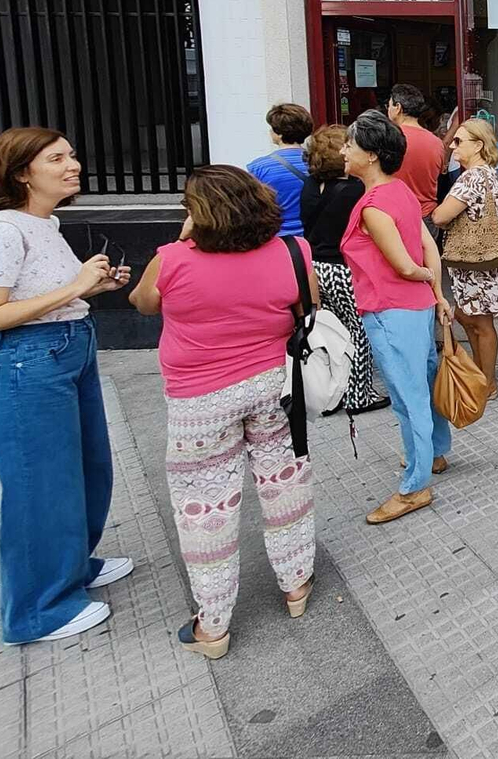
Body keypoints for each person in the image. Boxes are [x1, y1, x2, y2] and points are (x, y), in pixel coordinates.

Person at [127, 166, 317, 659]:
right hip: (271, 383)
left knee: (206, 509)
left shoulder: (170, 260)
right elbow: (308, 303)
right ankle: (296, 583)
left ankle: (213, 624)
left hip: (199, 399)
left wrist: (180, 243)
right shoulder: (293, 251)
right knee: (284, 482)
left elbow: (143, 303)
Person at [0, 128, 133, 644]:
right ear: (20, 173)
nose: (73, 165)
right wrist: (74, 287)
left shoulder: (45, 224)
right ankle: (37, 611)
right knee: (39, 487)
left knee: (85, 468)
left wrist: (90, 288)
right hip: (27, 364)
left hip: (66, 350)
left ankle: (73, 566)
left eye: (71, 155)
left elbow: (48, 292)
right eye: (56, 158)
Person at [340, 110, 455, 524]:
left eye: (349, 144)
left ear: (370, 155)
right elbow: (429, 248)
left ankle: (415, 484)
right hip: (417, 308)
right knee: (422, 383)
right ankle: (435, 454)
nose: (343, 151)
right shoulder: (402, 192)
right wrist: (436, 293)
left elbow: (408, 265)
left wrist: (423, 279)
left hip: (391, 311)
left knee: (410, 399)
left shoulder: (373, 206)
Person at [430, 116, 498, 393]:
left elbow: (441, 216)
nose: (453, 147)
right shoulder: (488, 172)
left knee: (479, 320)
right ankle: (481, 374)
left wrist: (434, 210)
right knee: (467, 316)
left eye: (458, 141)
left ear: (478, 145)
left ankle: (487, 382)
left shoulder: (472, 177)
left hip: (475, 259)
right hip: (480, 256)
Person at [299, 125, 390, 414]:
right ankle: (359, 395)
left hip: (315, 266)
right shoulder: (355, 190)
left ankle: (334, 390)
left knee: (332, 332)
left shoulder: (310, 185)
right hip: (345, 268)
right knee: (359, 329)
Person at [247, 103, 312, 237]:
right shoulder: (318, 162)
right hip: (311, 234)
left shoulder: (258, 167)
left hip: (277, 235)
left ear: (279, 134)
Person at [385, 84, 446, 226]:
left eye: (389, 105)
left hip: (396, 214)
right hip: (426, 215)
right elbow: (439, 174)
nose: (388, 110)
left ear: (398, 108)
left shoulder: (388, 140)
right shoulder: (437, 142)